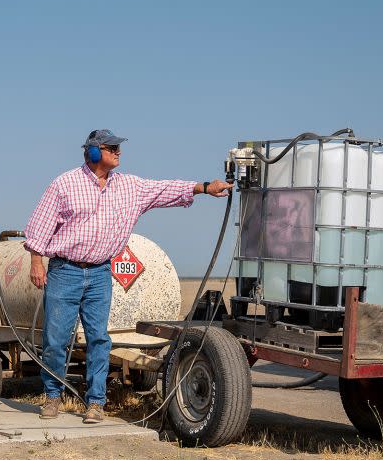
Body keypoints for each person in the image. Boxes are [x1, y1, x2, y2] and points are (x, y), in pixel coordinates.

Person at [23, 129, 231, 423]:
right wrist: (36, 262)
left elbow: (165, 190)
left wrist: (204, 187)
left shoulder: (130, 187)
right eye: (111, 148)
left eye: (118, 147)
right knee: (56, 340)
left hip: (99, 273)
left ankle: (95, 403)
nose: (118, 152)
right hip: (64, 271)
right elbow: (40, 224)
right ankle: (52, 396)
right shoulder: (64, 184)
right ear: (93, 152)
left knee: (98, 339)